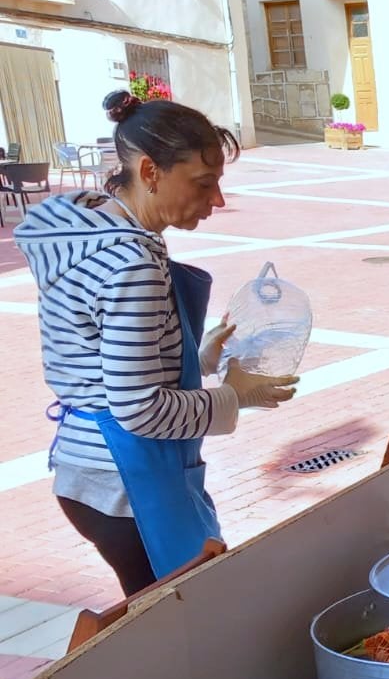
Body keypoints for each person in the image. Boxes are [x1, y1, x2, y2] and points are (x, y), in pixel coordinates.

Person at [18, 92, 298, 596]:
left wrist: (197, 356)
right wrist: (235, 395)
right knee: (180, 617)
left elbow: (100, 357)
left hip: (88, 471)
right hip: (127, 481)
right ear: (150, 171)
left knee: (164, 611)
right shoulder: (132, 264)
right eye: (203, 183)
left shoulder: (89, 233)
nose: (217, 200)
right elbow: (140, 410)